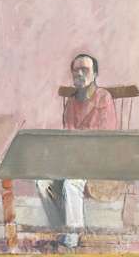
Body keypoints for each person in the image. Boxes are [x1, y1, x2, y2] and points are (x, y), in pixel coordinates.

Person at [37, 54, 117, 248]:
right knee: (42, 182)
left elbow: (106, 138)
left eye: (85, 70)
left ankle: (73, 236)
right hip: (74, 160)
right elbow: (68, 139)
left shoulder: (104, 98)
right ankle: (61, 230)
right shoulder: (71, 103)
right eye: (76, 70)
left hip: (100, 162)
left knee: (71, 183)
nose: (80, 74)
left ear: (95, 74)